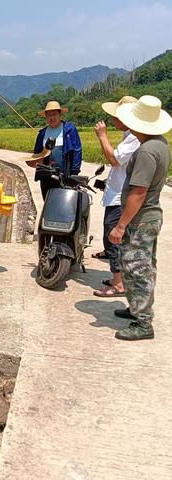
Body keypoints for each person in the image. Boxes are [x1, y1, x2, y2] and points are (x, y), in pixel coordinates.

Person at [109, 95, 172, 341]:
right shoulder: (160, 143)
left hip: (141, 218)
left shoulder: (146, 151)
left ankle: (143, 322)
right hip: (148, 217)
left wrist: (121, 225)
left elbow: (138, 191)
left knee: (137, 268)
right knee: (142, 264)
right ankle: (137, 307)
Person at [92, 96, 140, 298]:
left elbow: (114, 159)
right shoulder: (129, 135)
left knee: (113, 238)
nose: (113, 119)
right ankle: (117, 278)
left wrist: (102, 136)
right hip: (116, 194)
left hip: (120, 197)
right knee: (111, 237)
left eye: (116, 116)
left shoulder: (134, 138)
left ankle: (119, 284)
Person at [32, 101, 82, 200]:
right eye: (49, 115)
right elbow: (36, 154)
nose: (52, 118)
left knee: (64, 203)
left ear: (60, 115)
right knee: (48, 203)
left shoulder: (69, 129)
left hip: (65, 174)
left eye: (54, 114)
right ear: (45, 117)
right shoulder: (42, 133)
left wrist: (74, 173)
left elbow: (77, 150)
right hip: (46, 175)